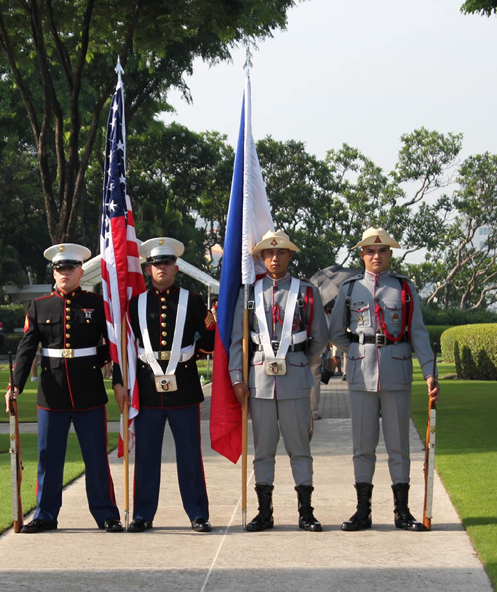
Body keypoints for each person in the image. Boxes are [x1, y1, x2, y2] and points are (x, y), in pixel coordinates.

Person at [5, 243, 123, 533]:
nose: (65, 273)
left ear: (81, 271)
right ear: (54, 273)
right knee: (49, 457)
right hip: (52, 393)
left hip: (89, 390)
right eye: (60, 268)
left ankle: (107, 514)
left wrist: (117, 378)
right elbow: (27, 348)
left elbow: (114, 346)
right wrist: (15, 385)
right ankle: (45, 514)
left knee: (96, 458)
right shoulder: (38, 306)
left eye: (70, 268)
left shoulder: (97, 305)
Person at [328, 227, 440, 532]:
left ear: (390, 254)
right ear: (361, 254)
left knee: (398, 446)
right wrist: (356, 350)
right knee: (363, 445)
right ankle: (362, 511)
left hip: (396, 371)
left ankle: (402, 512)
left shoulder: (404, 288)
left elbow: (417, 332)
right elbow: (336, 331)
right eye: (370, 251)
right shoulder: (350, 289)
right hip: (361, 375)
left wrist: (430, 372)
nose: (376, 256)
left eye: (382, 251)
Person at [112, 237, 215, 533]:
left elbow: (209, 341)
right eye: (156, 264)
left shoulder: (193, 301)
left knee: (189, 455)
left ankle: (197, 513)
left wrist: (190, 353)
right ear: (147, 269)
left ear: (176, 267)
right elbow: (124, 348)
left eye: (167, 263)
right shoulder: (134, 305)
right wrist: (119, 382)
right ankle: (143, 514)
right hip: (145, 391)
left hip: (183, 387)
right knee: (146, 456)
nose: (161, 268)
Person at [230, 229, 329, 532]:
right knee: (263, 450)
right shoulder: (249, 293)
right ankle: (265, 512)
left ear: (289, 255)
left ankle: (306, 512)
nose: (275, 258)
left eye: (281, 252)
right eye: (269, 253)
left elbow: (319, 339)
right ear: (261, 257)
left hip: (295, 379)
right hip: (259, 380)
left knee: (300, 448)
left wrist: (299, 362)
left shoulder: (306, 291)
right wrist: (237, 377)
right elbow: (238, 339)